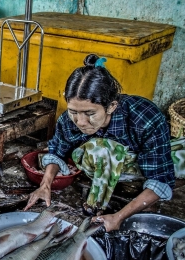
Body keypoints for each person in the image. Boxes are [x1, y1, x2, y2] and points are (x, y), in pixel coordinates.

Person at [23, 54, 175, 232]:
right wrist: (45, 185)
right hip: (98, 161)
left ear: (111, 106)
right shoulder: (68, 120)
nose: (80, 122)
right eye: (73, 111)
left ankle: (140, 198)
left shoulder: (145, 117)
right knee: (103, 149)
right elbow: (57, 151)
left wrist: (118, 217)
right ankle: (96, 205)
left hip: (137, 167)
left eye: (89, 114)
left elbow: (160, 177)